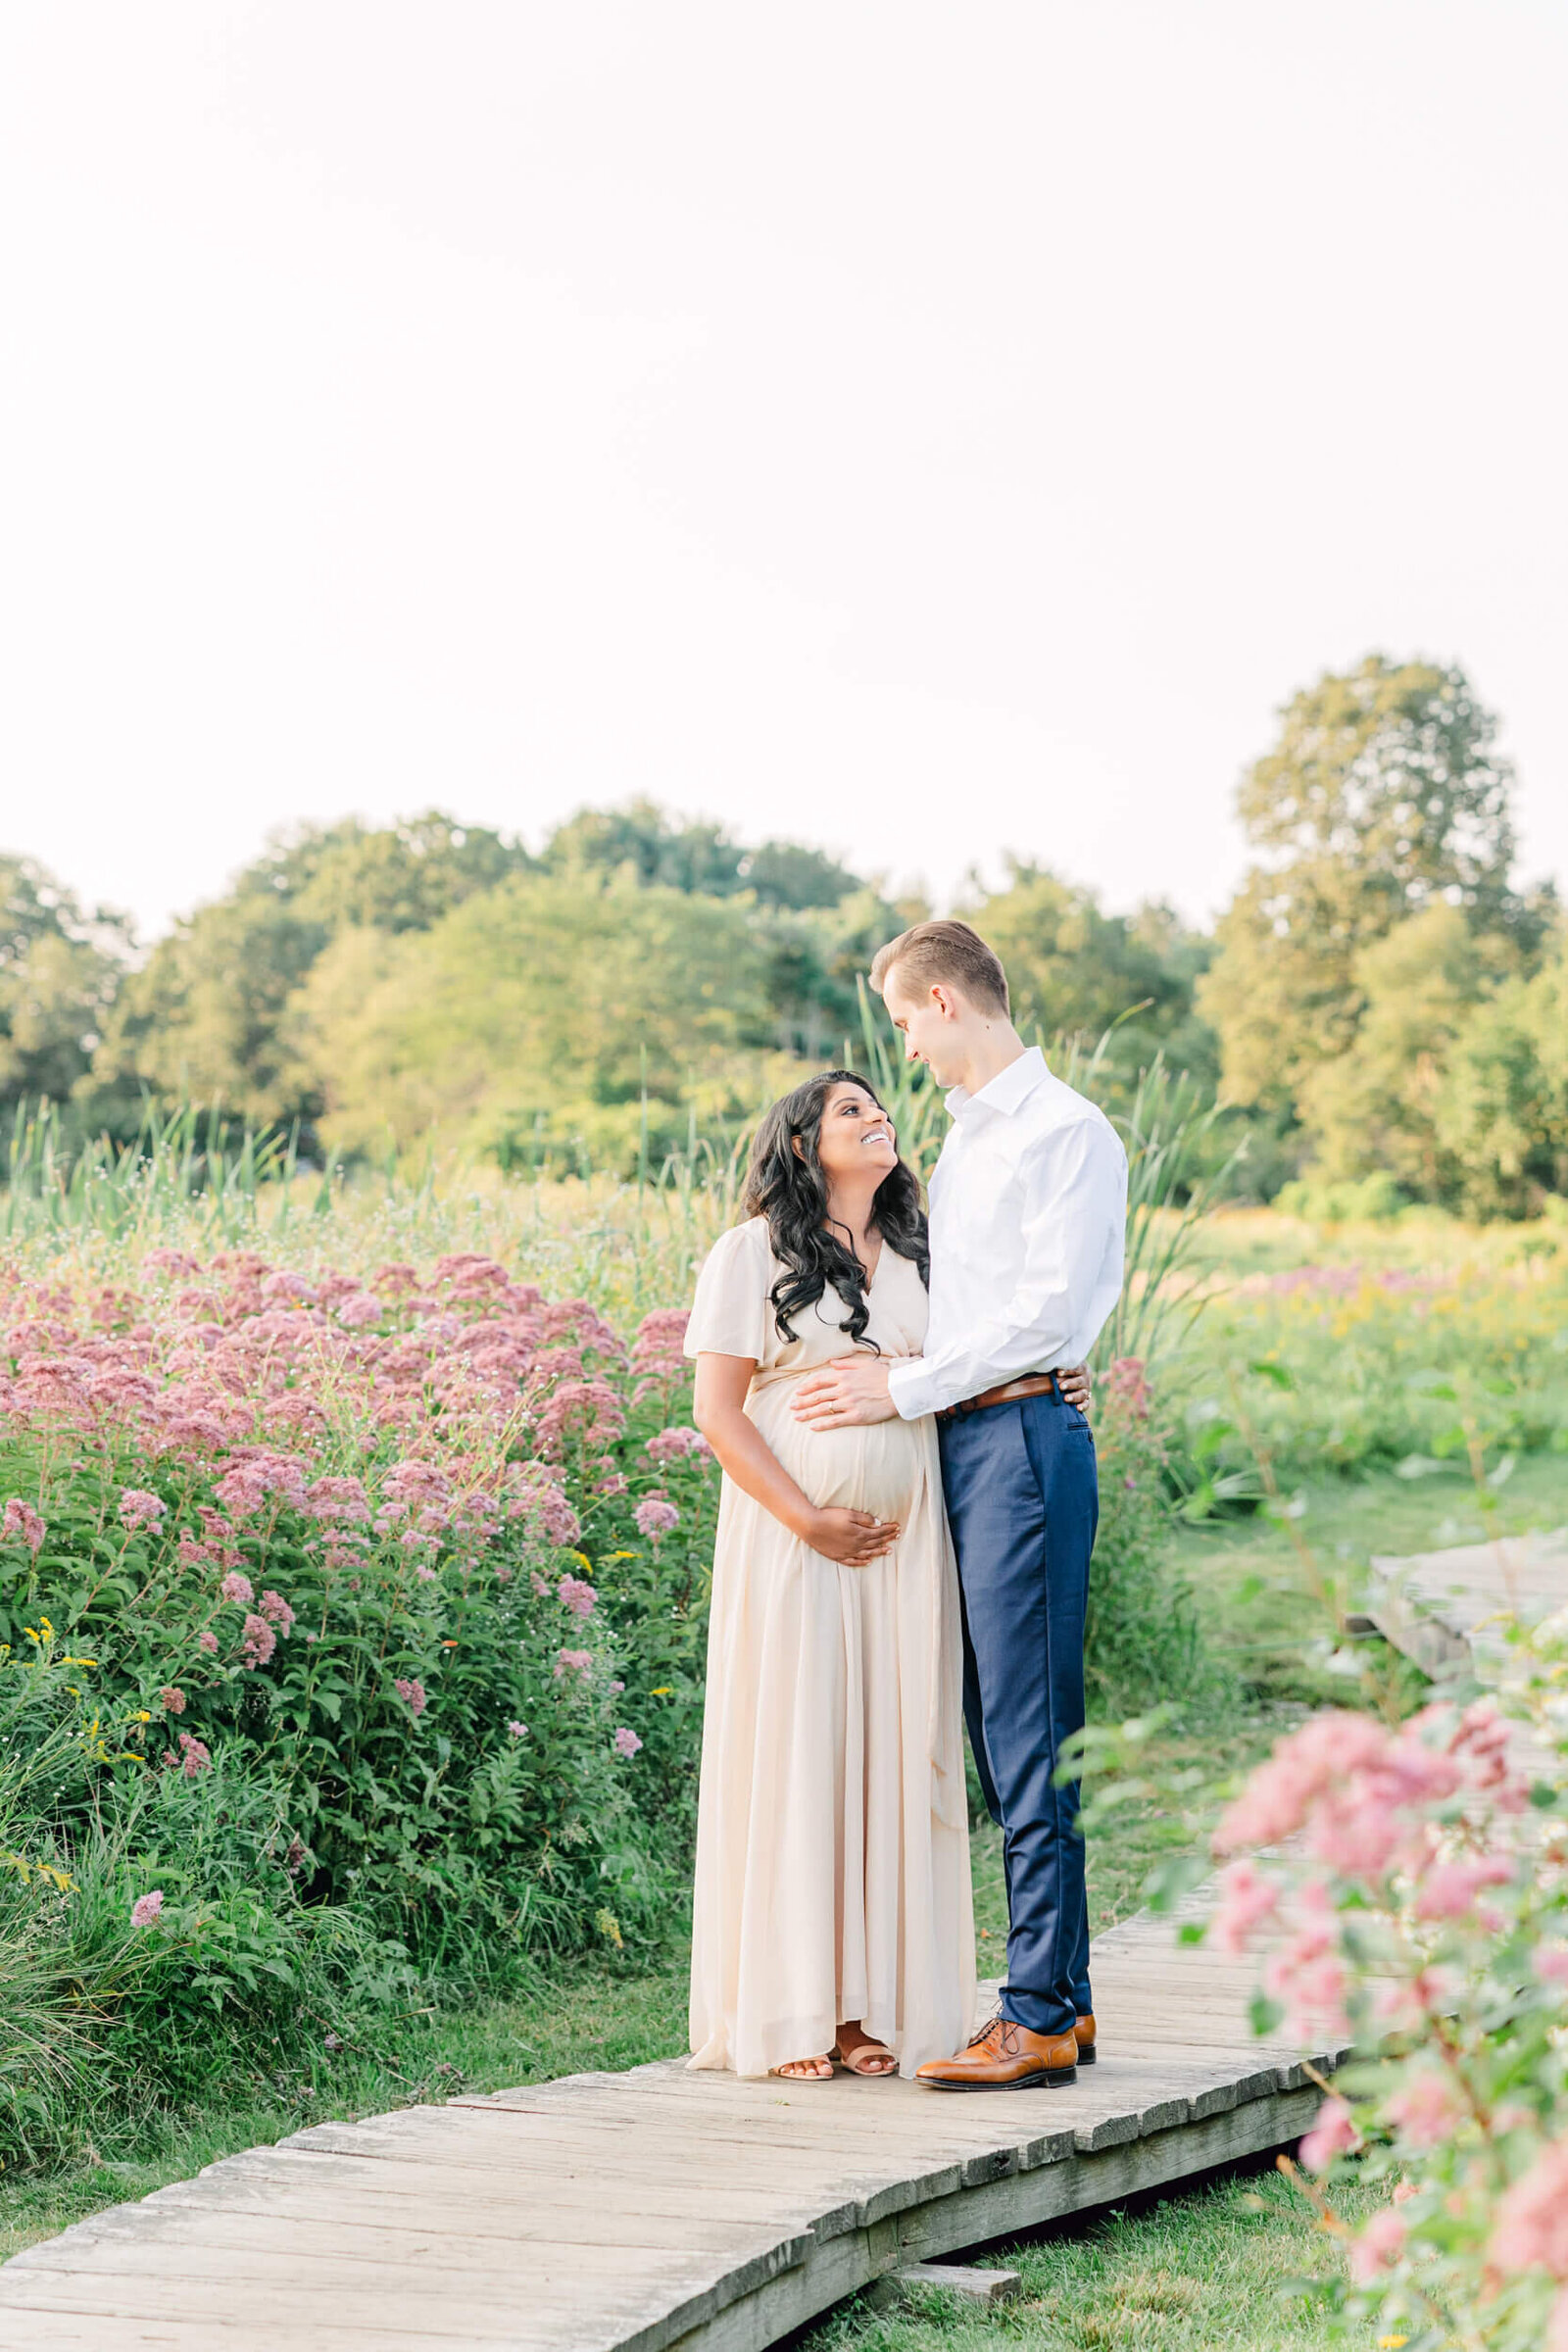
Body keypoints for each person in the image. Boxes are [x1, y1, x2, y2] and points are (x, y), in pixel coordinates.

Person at [684, 1067, 1089, 2081]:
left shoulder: (923, 1256)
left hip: (909, 1558)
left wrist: (1055, 1371)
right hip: (795, 1545)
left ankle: (866, 2012)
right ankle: (789, 2013)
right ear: (801, 1144)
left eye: (878, 1105)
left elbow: (981, 1356)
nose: (877, 1117)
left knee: (888, 1761)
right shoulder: (751, 1255)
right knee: (803, 1753)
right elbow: (719, 1414)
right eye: (849, 1110)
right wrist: (808, 1518)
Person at [794, 921, 1127, 2091]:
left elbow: (1043, 1315)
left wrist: (903, 1389)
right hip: (977, 1439)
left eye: (903, 1022)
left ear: (942, 1000)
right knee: (1009, 1732)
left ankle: (1032, 2011)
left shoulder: (1063, 1132)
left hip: (1019, 1441)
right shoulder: (969, 1140)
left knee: (1030, 1733)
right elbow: (978, 1306)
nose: (904, 1049)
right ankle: (1068, 1998)